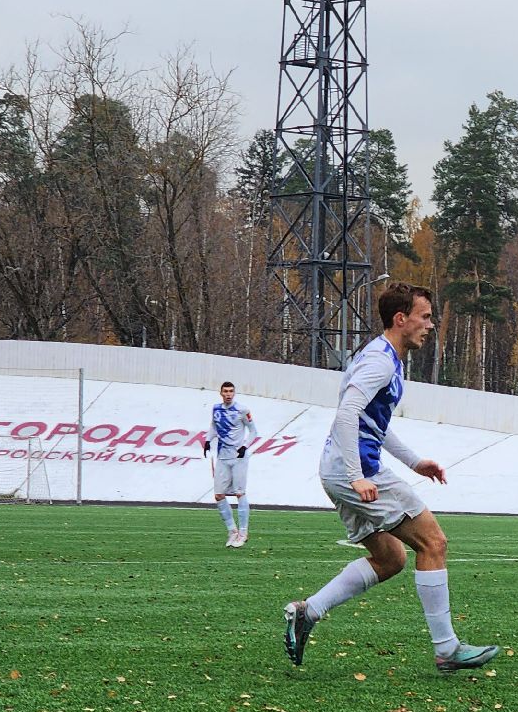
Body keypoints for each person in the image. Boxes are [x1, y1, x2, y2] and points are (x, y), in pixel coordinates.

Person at [282, 283, 500, 673]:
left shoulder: (386, 358)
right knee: (433, 542)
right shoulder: (380, 362)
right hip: (357, 471)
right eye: (425, 317)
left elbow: (371, 423)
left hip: (340, 469)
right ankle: (447, 649)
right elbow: (347, 415)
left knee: (390, 558)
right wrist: (357, 477)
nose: (430, 325)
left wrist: (415, 463)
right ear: (401, 319)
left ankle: (308, 611)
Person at [200, 381, 258, 547]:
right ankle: (232, 531)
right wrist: (207, 440)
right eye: (225, 391)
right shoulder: (216, 409)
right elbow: (214, 427)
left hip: (238, 457)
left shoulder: (242, 410)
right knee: (219, 494)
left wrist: (245, 446)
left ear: (234, 393)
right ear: (221, 393)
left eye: (231, 391)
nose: (228, 394)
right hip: (222, 457)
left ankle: (244, 532)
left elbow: (254, 431)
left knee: (240, 493)